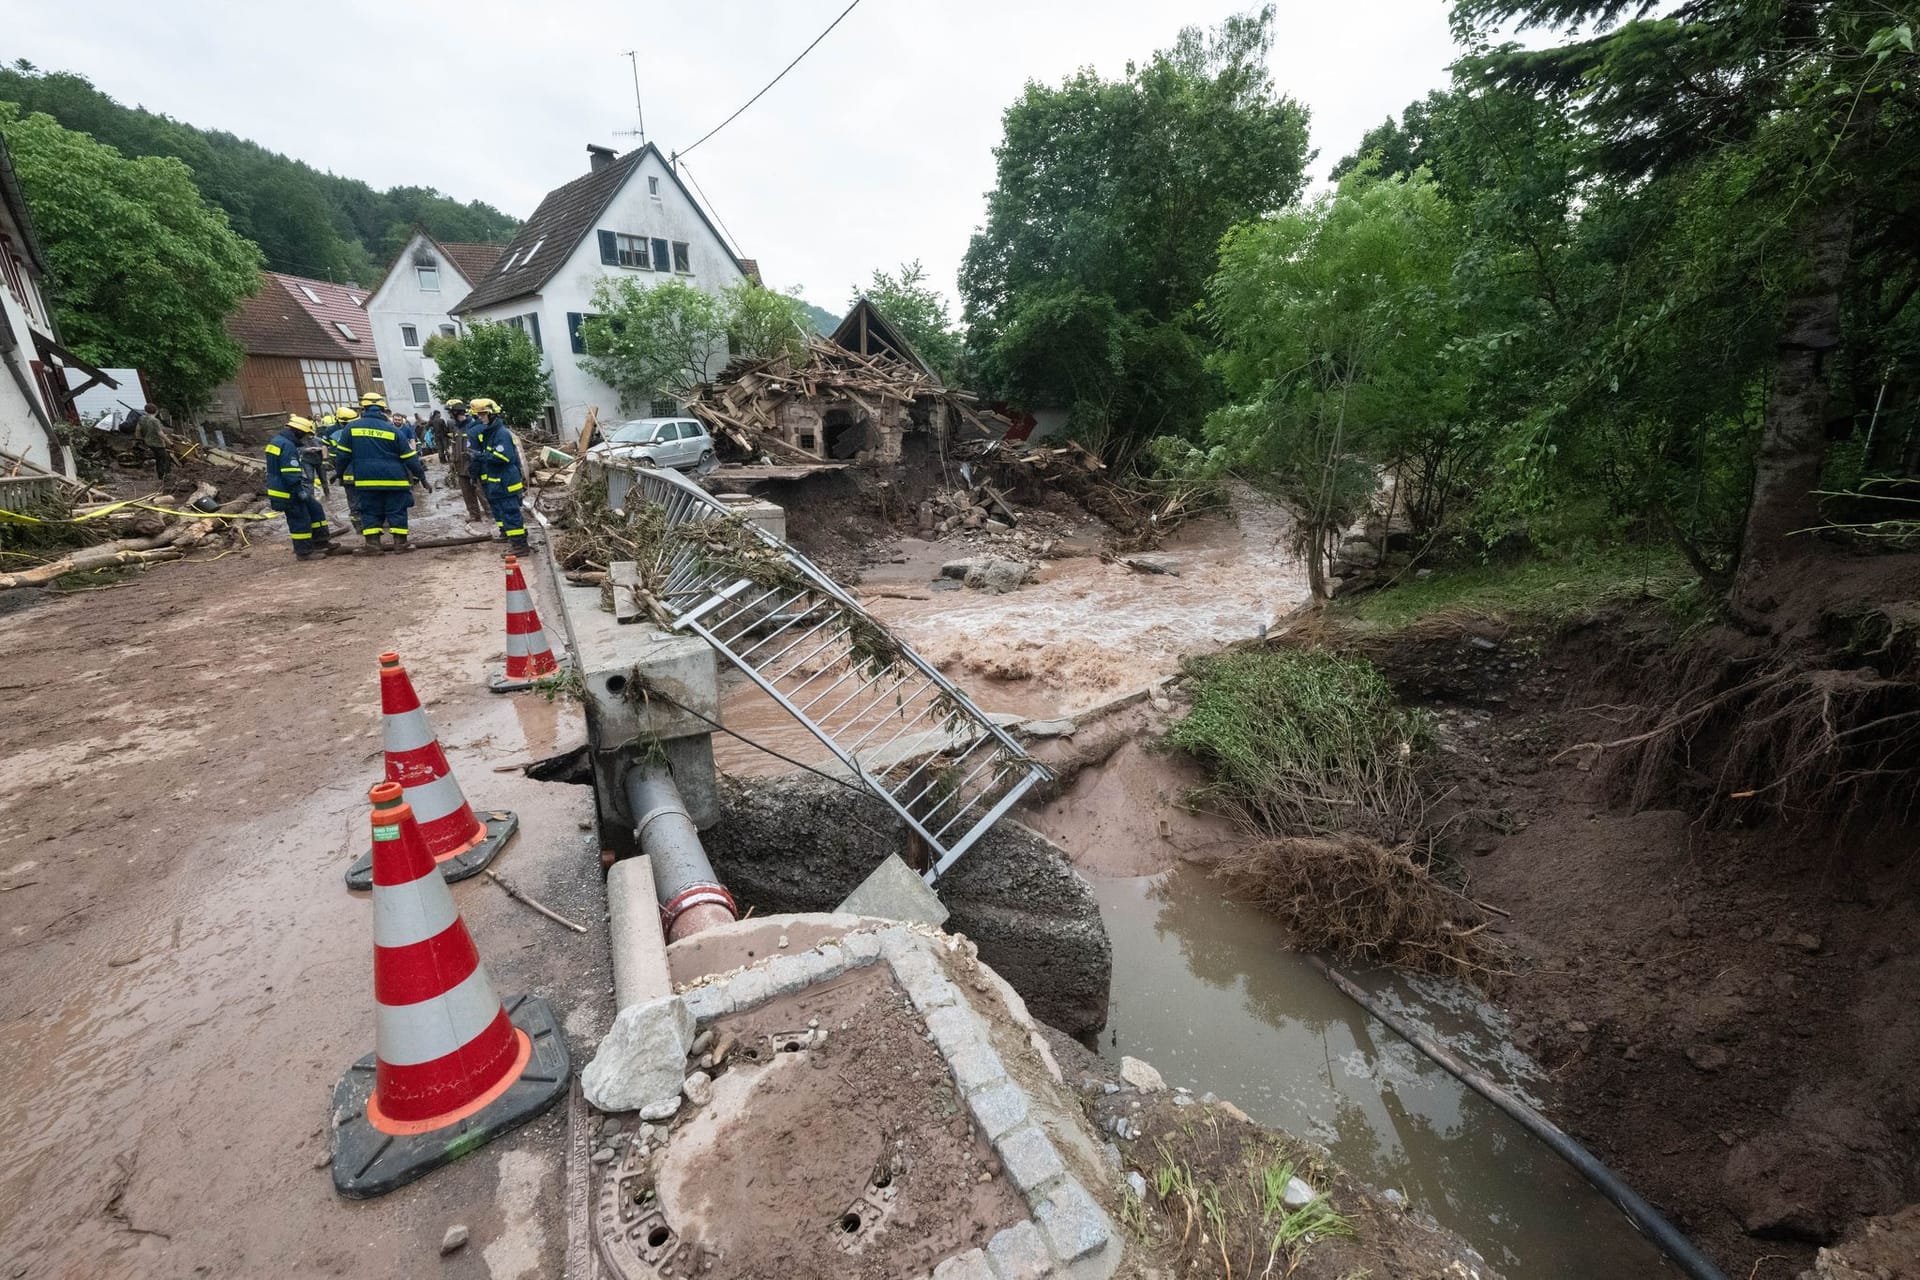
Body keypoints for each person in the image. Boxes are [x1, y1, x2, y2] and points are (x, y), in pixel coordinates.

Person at [331, 398, 428, 551]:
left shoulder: (351, 428)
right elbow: (410, 457)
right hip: (395, 480)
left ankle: (372, 545)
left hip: (367, 481)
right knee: (397, 511)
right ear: (383, 411)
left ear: (363, 410)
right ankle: (401, 544)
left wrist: (339, 473)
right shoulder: (393, 430)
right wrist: (422, 477)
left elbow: (342, 456)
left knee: (369, 511)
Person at [264, 415, 335, 562]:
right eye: (305, 435)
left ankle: (321, 541)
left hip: (283, 486)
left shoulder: (278, 441)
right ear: (298, 432)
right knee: (300, 518)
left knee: (315, 507)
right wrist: (299, 490)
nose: (306, 439)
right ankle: (304, 552)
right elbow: (290, 473)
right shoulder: (287, 446)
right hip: (287, 490)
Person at [469, 397, 528, 552]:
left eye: (482, 415)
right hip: (500, 481)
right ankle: (517, 541)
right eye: (479, 415)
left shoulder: (501, 434)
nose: (480, 418)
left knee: (511, 512)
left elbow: (503, 457)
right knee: (506, 512)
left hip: (506, 481)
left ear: (492, 414)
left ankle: (520, 546)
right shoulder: (492, 433)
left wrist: (480, 456)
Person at [443, 398, 485, 522]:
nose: (450, 415)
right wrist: (452, 460)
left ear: (455, 412)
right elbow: (454, 445)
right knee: (467, 494)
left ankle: (492, 516)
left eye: (451, 412)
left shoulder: (474, 426)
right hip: (460, 466)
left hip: (473, 466)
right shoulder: (456, 428)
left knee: (481, 492)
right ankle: (474, 516)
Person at [135, 404, 172, 482]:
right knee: (163, 459)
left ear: (146, 410)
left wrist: (139, 439)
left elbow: (138, 429)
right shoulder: (155, 420)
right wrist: (169, 442)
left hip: (147, 442)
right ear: (156, 411)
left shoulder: (142, 418)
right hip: (157, 443)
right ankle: (164, 477)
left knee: (159, 459)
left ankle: (161, 476)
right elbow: (160, 433)